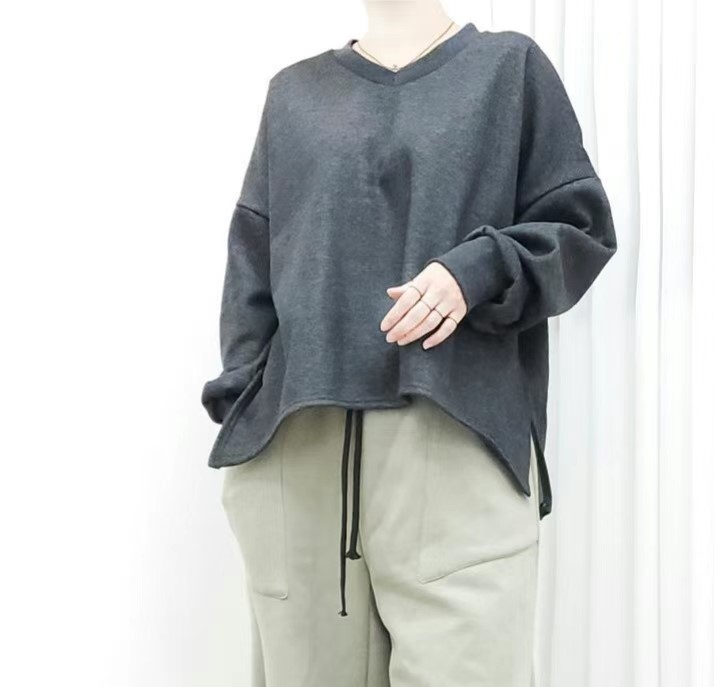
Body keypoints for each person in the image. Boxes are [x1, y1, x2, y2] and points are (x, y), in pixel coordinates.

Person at [201, 4, 617, 686]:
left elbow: (580, 226)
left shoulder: (507, 70)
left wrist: (475, 270)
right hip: (298, 453)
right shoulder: (294, 94)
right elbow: (252, 266)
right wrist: (245, 409)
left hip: (453, 436)